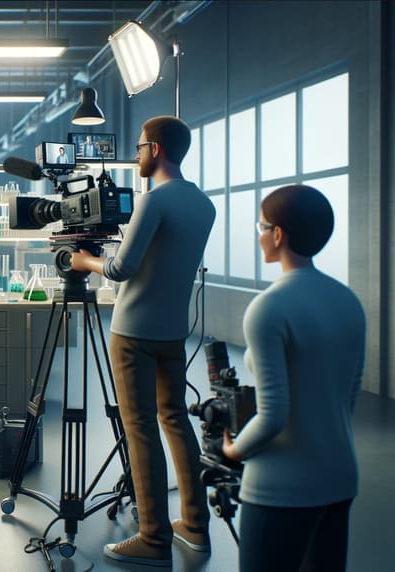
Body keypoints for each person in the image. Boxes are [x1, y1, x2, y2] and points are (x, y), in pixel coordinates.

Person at [69, 115, 214, 567]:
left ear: (156, 148)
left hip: (132, 331)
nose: (135, 156)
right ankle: (194, 524)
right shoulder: (204, 204)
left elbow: (120, 270)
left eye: (138, 148)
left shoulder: (153, 202)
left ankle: (153, 537)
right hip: (173, 329)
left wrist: (82, 261)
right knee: (175, 421)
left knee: (141, 429)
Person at [222, 185, 364, 572]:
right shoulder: (347, 300)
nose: (259, 234)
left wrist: (234, 451)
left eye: (261, 226)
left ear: (278, 234)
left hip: (280, 486)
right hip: (339, 476)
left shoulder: (268, 307)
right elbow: (348, 395)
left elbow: (272, 416)